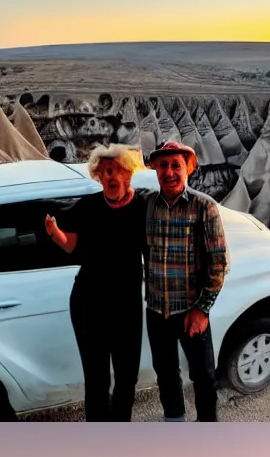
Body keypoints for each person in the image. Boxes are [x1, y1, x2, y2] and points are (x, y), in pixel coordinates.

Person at [43, 145, 149, 420]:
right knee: (97, 380)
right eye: (104, 172)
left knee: (127, 378)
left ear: (128, 173)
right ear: (98, 177)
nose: (110, 177)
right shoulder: (88, 206)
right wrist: (55, 234)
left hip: (126, 306)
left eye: (116, 170)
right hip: (88, 304)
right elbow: (70, 246)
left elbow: (154, 254)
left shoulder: (143, 208)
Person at [143, 140, 229, 421]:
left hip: (191, 310)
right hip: (156, 310)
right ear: (155, 169)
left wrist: (202, 309)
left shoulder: (204, 207)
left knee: (203, 375)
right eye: (163, 165)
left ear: (188, 169)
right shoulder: (147, 206)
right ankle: (174, 421)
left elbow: (219, 263)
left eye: (176, 166)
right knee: (166, 373)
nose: (169, 172)